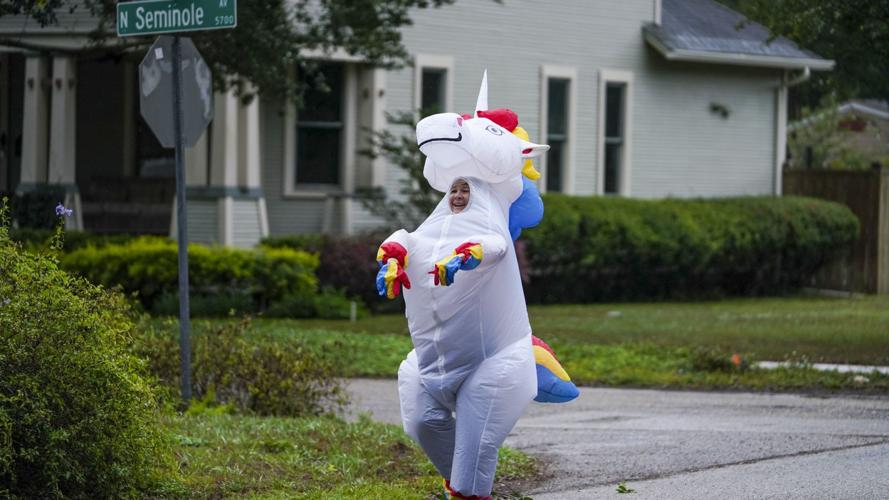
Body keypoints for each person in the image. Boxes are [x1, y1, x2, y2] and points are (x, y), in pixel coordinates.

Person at [376, 176, 536, 500]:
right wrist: (392, 260)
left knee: (475, 438)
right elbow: (406, 239)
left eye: (466, 191)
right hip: (432, 360)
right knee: (422, 422)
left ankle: (469, 492)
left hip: (486, 361)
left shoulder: (488, 233)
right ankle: (461, 484)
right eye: (455, 189)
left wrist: (467, 256)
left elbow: (495, 247)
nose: (459, 196)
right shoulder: (429, 235)